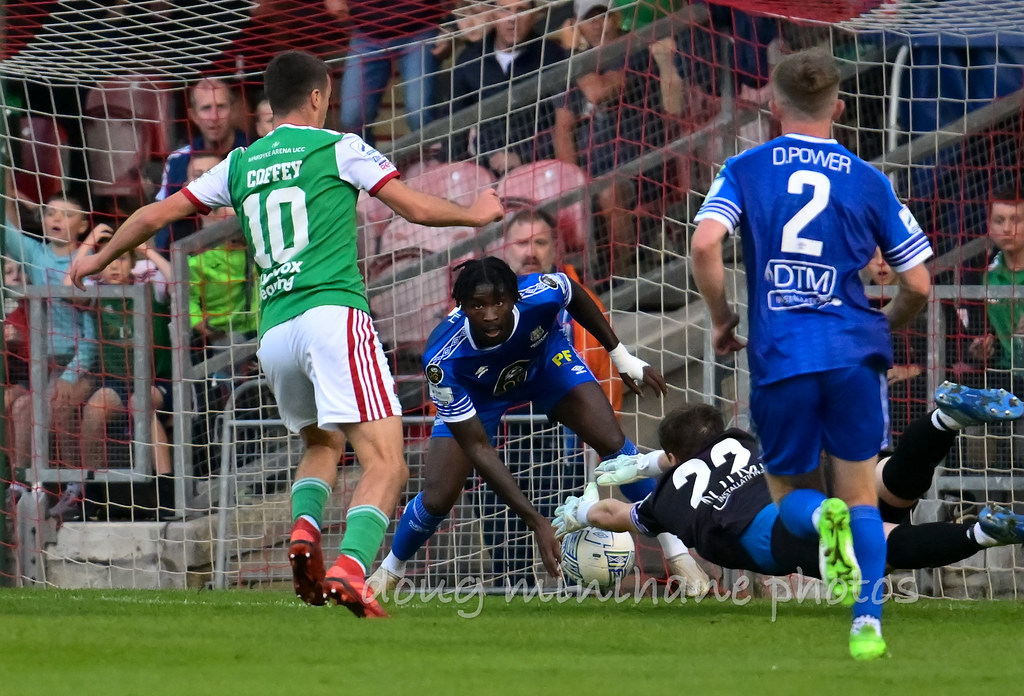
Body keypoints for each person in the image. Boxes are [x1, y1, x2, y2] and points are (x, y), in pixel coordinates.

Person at [68, 49, 504, 618]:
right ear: (320, 96)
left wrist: (99, 258)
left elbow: (156, 216)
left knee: (323, 442)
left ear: (270, 103)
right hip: (333, 316)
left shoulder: (240, 162)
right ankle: (351, 569)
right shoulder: (340, 147)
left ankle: (303, 532)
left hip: (273, 332)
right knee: (388, 462)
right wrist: (476, 212)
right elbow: (412, 208)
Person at [690, 48, 933, 659]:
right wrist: (885, 322)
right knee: (862, 497)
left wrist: (723, 319)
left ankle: (822, 518)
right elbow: (920, 283)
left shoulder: (745, 167)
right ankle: (867, 622)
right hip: (853, 352)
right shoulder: (871, 179)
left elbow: (704, 245)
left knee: (790, 494)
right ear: (840, 107)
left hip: (781, 353)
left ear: (773, 107)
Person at [554, 383, 1024, 603]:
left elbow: (618, 514)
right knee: (893, 487)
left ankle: (982, 532)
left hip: (763, 531)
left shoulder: (663, 498)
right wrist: (652, 460)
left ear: (673, 456)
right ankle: (944, 420)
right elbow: (687, 453)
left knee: (879, 548)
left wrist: (583, 512)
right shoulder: (740, 441)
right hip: (802, 481)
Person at [368, 256, 668, 595]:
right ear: (461, 306)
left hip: (544, 364)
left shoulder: (540, 291)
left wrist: (621, 357)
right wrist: (536, 521)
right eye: (478, 305)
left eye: (499, 302)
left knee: (615, 446)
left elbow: (575, 294)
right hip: (478, 394)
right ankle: (388, 571)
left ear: (515, 297)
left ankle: (679, 555)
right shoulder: (441, 359)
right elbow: (479, 447)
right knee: (439, 496)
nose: (491, 314)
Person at [501, 208, 707, 590]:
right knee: (502, 519)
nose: (530, 250)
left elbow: (599, 366)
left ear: (555, 248)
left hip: (564, 436)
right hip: (504, 429)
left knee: (602, 482)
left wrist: (607, 421)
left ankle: (678, 557)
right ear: (504, 248)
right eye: (522, 242)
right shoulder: (482, 304)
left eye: (540, 241)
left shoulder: (577, 301)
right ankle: (510, 589)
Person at [5, 191, 99, 471]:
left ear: (83, 226)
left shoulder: (91, 259)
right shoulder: (35, 254)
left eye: (67, 214)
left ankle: (75, 484)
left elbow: (91, 333)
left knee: (59, 405)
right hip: (46, 363)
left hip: (88, 363)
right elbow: (5, 225)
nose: (57, 218)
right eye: (51, 213)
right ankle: (20, 484)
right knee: (22, 409)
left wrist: (71, 374)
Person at [450, 0, 567, 176]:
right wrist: (456, 168)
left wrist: (525, 156)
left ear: (535, 15)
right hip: (484, 170)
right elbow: (454, 123)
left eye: (521, 10)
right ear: (492, 15)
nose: (513, 18)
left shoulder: (552, 56)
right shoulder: (469, 60)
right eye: (504, 11)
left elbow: (566, 121)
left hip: (540, 169)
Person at [324, 0, 447, 146]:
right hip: (366, 31)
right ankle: (370, 164)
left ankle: (433, 162)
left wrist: (450, 24)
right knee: (352, 117)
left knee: (420, 113)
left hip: (420, 25)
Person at [154, 78, 250, 254]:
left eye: (221, 106)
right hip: (191, 258)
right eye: (206, 108)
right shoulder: (177, 160)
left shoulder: (254, 153)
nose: (214, 117)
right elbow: (164, 226)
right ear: (193, 116)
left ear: (232, 109)